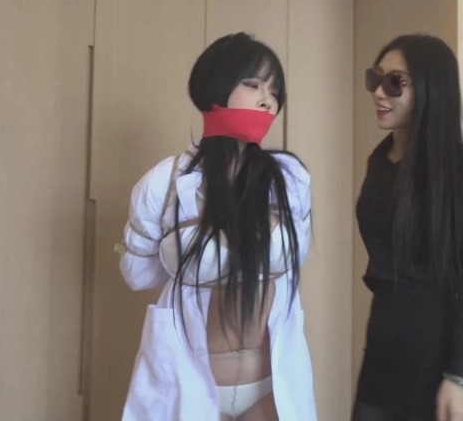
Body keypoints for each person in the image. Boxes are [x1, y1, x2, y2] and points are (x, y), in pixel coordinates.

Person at [116, 32, 316, 421]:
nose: (267, 100)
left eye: (275, 92)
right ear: (215, 87)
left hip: (271, 387)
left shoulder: (290, 178)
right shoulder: (165, 182)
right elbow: (138, 274)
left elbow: (297, 257)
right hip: (188, 386)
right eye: (253, 85)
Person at [352, 34, 463, 421]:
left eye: (395, 82)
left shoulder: (461, 166)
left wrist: (459, 374)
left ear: (431, 89)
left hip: (437, 360)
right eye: (375, 79)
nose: (378, 93)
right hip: (382, 348)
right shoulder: (379, 162)